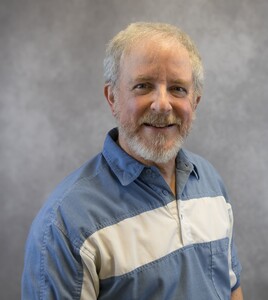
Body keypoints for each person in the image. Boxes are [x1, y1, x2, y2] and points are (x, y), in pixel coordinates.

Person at [22, 22, 243, 299]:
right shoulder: (65, 225)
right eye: (143, 86)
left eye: (177, 89)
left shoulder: (211, 182)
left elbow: (231, 288)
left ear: (195, 102)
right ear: (112, 97)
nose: (162, 105)